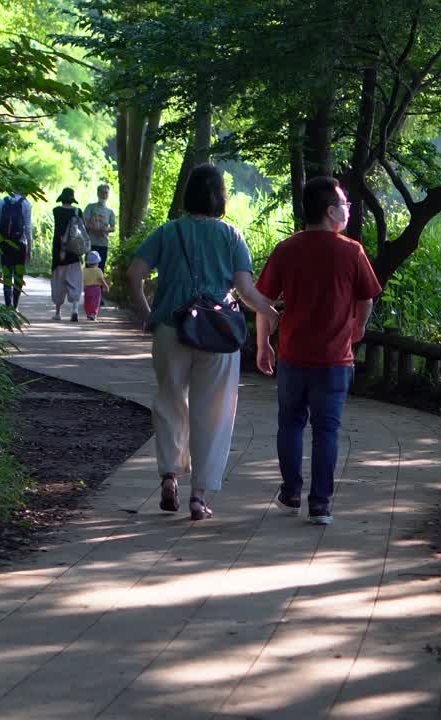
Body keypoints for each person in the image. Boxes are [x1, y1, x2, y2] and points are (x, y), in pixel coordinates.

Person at [126, 165, 280, 520]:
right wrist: (269, 314)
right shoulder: (231, 236)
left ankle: (169, 476)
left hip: (170, 326)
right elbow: (244, 290)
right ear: (221, 197)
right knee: (214, 411)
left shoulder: (167, 232)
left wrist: (147, 313)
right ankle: (199, 495)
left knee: (169, 401)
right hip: (217, 331)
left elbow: (134, 275)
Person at [256, 176, 381, 525]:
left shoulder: (287, 249)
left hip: (293, 355)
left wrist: (262, 342)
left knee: (290, 425)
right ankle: (321, 505)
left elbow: (263, 301)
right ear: (330, 212)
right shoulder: (351, 251)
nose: (348, 209)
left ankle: (291, 491)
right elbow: (366, 298)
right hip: (334, 360)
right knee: (327, 430)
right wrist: (357, 327)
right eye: (344, 204)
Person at [51, 187, 85, 322]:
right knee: (75, 280)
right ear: (72, 199)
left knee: (58, 281)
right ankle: (75, 309)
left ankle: (58, 312)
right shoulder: (78, 211)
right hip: (74, 251)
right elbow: (83, 230)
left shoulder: (56, 211)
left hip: (59, 251)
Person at [0, 192, 32, 308]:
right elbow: (28, 228)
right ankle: (15, 306)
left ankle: (8, 305)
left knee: (7, 275)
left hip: (5, 244)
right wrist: (29, 249)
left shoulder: (2, 201)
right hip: (20, 244)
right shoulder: (26, 204)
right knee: (18, 276)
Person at [83, 183, 116, 272]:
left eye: (106, 193)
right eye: (102, 192)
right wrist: (94, 229)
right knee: (89, 269)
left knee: (100, 269)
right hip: (91, 243)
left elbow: (113, 227)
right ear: (98, 193)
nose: (104, 195)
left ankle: (99, 286)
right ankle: (87, 286)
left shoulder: (110, 212)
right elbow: (84, 222)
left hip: (103, 243)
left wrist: (106, 230)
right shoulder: (91, 207)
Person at [82, 250, 110, 320]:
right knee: (95, 302)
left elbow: (82, 280)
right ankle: (93, 314)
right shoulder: (98, 270)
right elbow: (101, 280)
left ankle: (88, 313)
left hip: (87, 289)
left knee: (87, 302)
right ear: (97, 262)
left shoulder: (84, 271)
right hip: (96, 289)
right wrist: (106, 286)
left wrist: (82, 287)